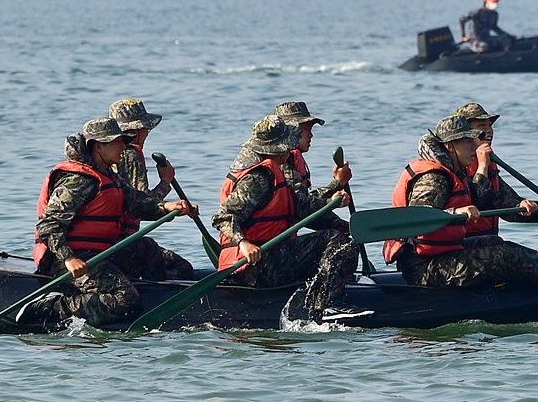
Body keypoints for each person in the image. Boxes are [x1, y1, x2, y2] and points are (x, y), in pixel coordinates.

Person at [382, 115, 538, 290]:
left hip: (442, 254)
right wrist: (456, 210)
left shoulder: (454, 171)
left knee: (498, 242)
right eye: (466, 142)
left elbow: (487, 199)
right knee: (502, 256)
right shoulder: (434, 178)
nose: (474, 147)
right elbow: (418, 217)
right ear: (450, 146)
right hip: (425, 267)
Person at [26, 118, 195, 328]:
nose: (124, 147)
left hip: (101, 252)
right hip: (71, 260)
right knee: (126, 300)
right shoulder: (78, 181)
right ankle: (55, 306)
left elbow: (138, 203)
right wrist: (68, 259)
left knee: (148, 248)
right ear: (99, 146)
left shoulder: (109, 176)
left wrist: (169, 207)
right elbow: (48, 225)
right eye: (118, 142)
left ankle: (156, 301)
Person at [212, 115, 370, 323]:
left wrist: (332, 202)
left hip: (266, 260)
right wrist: (244, 244)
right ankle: (330, 303)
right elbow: (223, 217)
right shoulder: (257, 178)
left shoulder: (271, 172)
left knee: (340, 236)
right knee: (336, 241)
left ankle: (326, 290)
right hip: (258, 266)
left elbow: (299, 206)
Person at [109, 99, 194, 281]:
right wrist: (165, 182)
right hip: (121, 242)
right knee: (182, 268)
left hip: (108, 240)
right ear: (138, 130)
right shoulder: (130, 155)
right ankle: (152, 289)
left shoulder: (108, 154)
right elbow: (141, 205)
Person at [451, 102, 538, 240]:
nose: (489, 130)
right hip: (463, 244)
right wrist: (482, 166)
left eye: (490, 124)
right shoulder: (457, 165)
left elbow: (507, 201)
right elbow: (481, 201)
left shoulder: (488, 163)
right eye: (481, 126)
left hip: (487, 241)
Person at [274, 101, 350, 200]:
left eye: (311, 129)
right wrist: (338, 182)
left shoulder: (293, 156)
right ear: (289, 131)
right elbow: (301, 204)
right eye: (305, 129)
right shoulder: (283, 160)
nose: (311, 135)